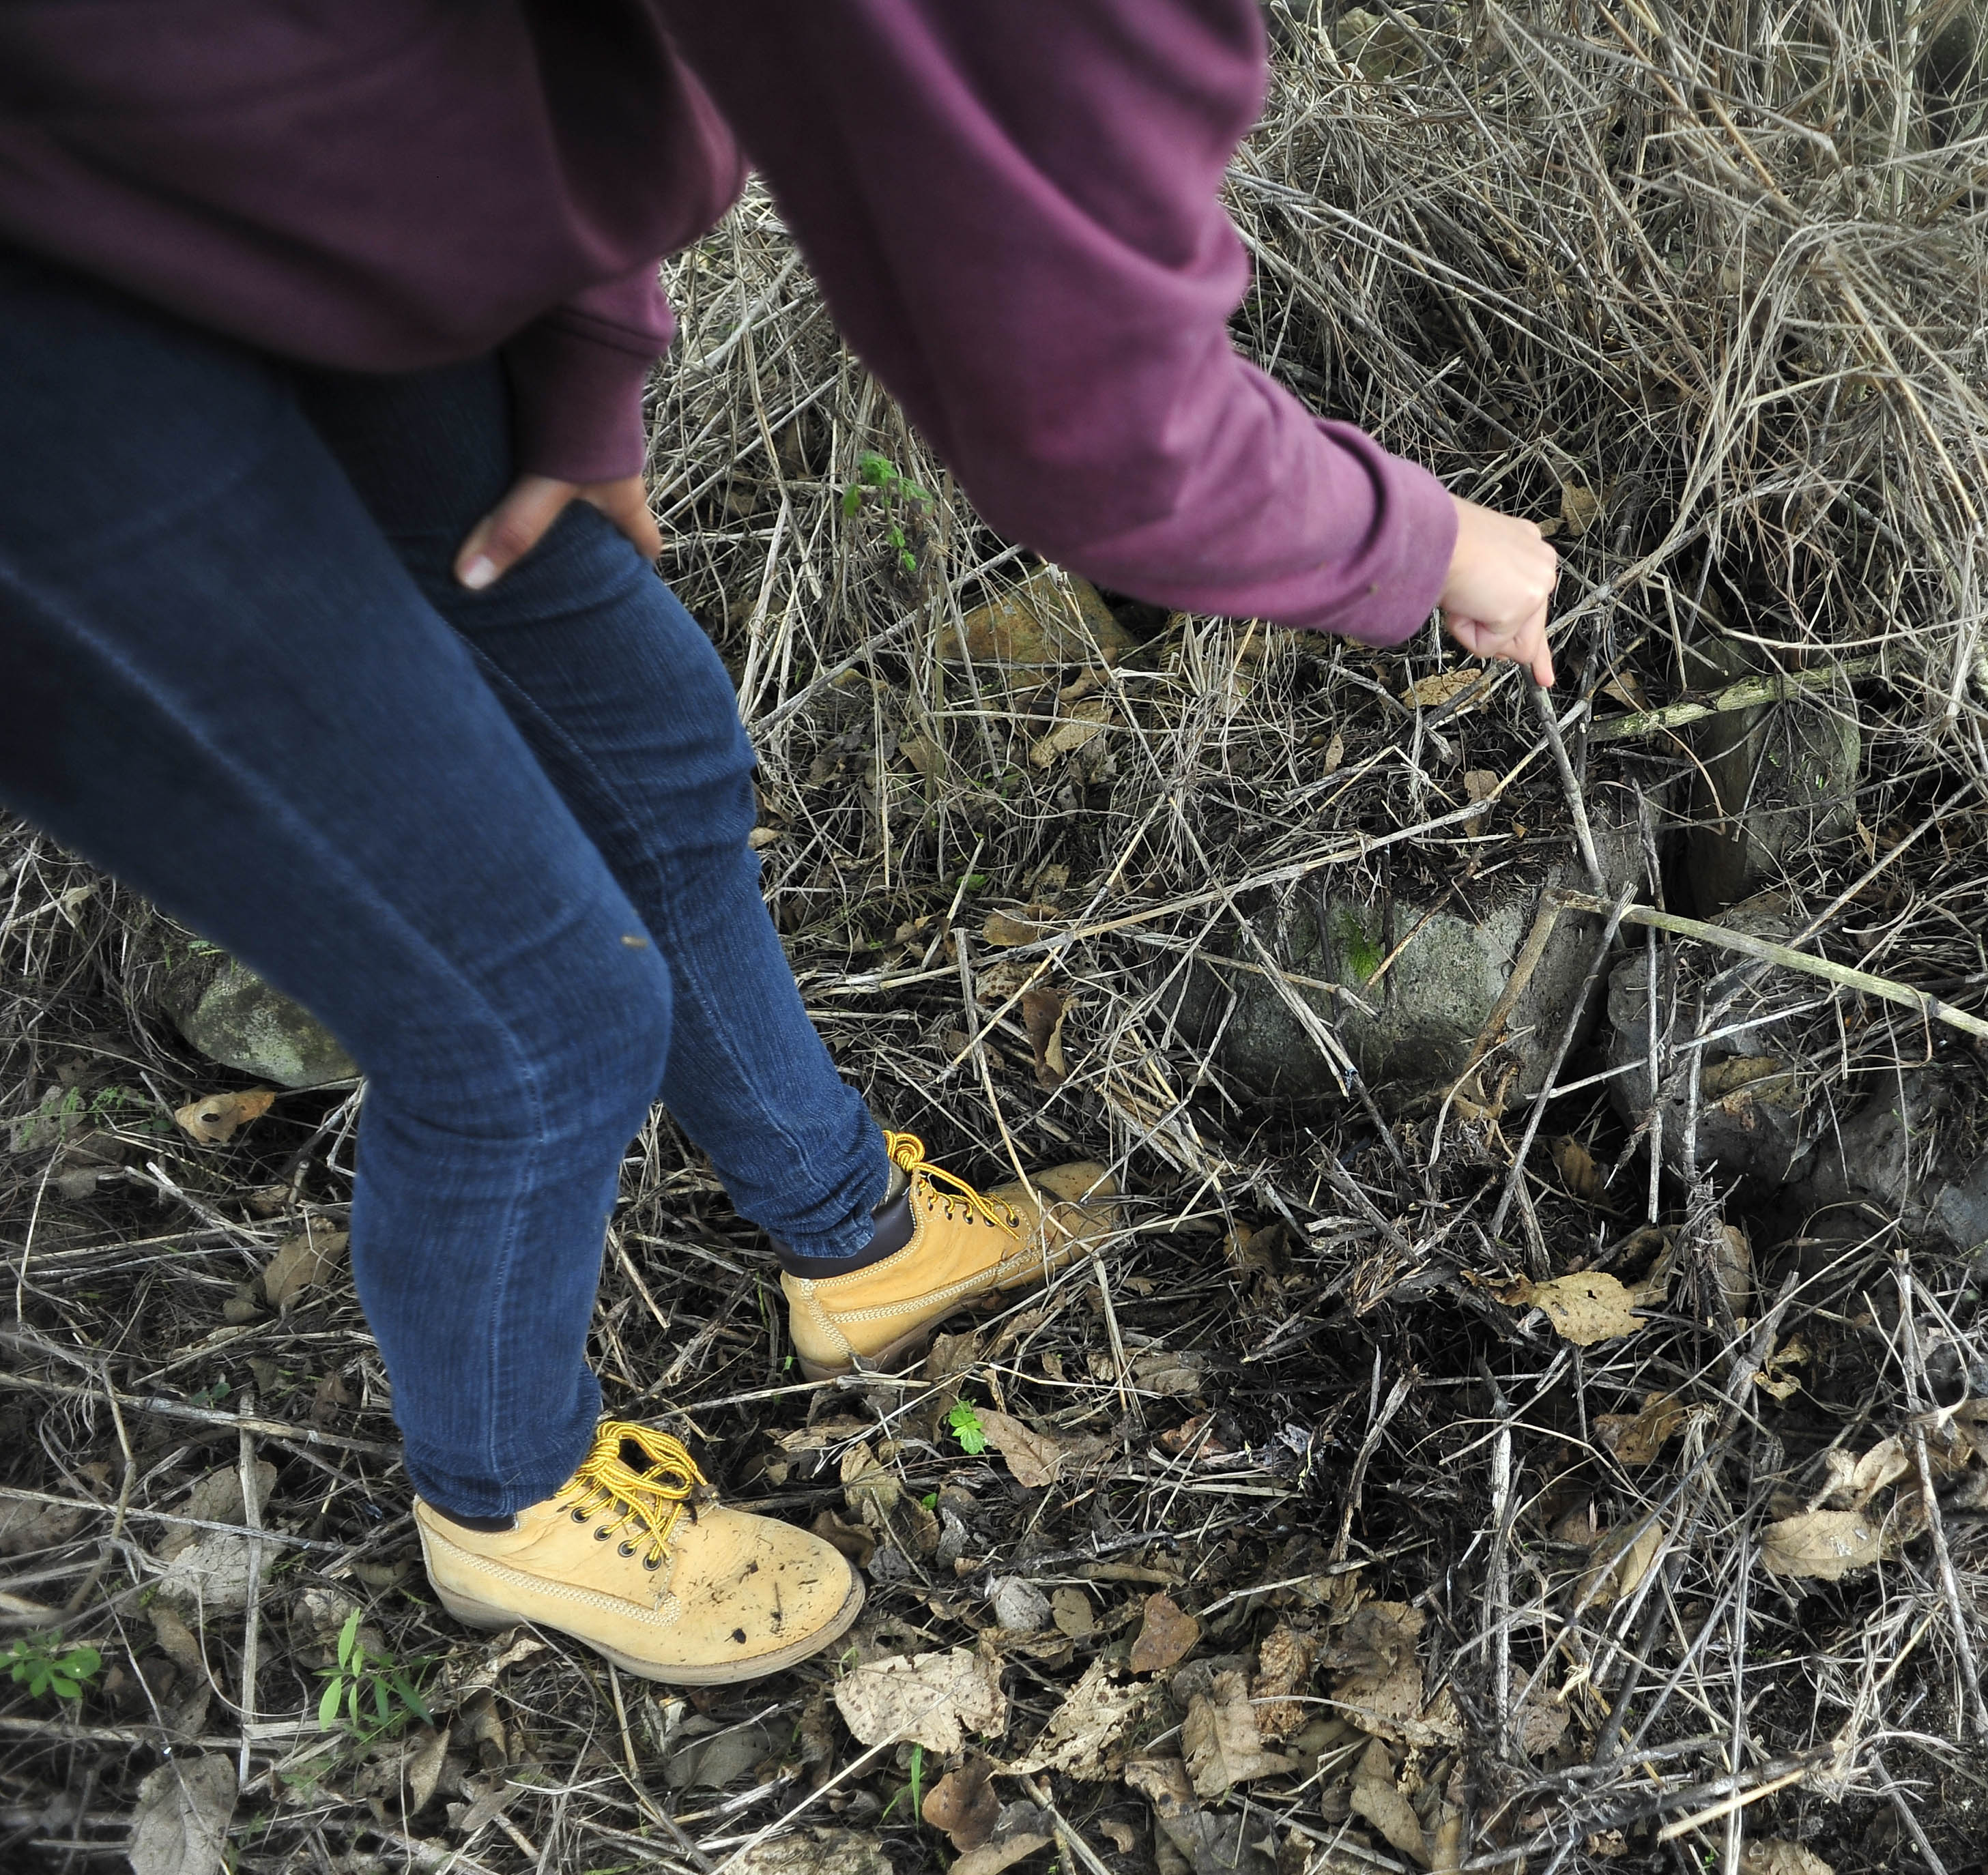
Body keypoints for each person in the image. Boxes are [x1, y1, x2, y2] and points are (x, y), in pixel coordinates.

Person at [0, 3, 1559, 1685]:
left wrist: (579, 374)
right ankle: (502, 1506)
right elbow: (1090, 413)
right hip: (57, 323)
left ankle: (854, 1239)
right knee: (530, 1023)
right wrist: (1436, 542)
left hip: (242, 199)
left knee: (648, 753)